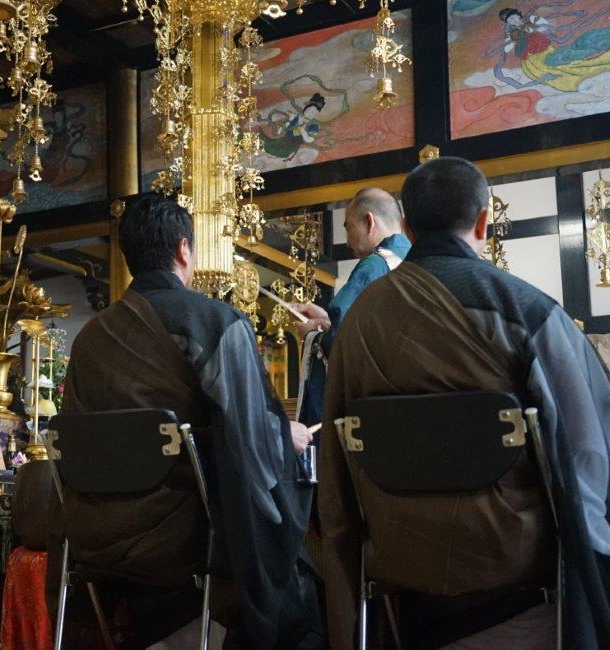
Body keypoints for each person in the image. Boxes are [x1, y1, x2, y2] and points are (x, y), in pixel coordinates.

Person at [319, 157, 610, 648]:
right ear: (483, 220)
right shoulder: (526, 310)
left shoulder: (357, 323)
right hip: (521, 580)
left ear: (407, 225)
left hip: (400, 585)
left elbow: (335, 478)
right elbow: (590, 455)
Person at [54, 194, 321, 647]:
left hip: (95, 534)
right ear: (183, 249)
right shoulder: (215, 322)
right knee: (304, 578)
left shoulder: (89, 338)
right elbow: (251, 448)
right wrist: (284, 436)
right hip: (182, 538)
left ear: (127, 255)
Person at [292, 187, 410, 427]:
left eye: (348, 227)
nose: (347, 241)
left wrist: (312, 336)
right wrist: (327, 319)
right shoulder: (413, 259)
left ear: (369, 222)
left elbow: (340, 340)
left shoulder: (375, 265)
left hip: (373, 407)